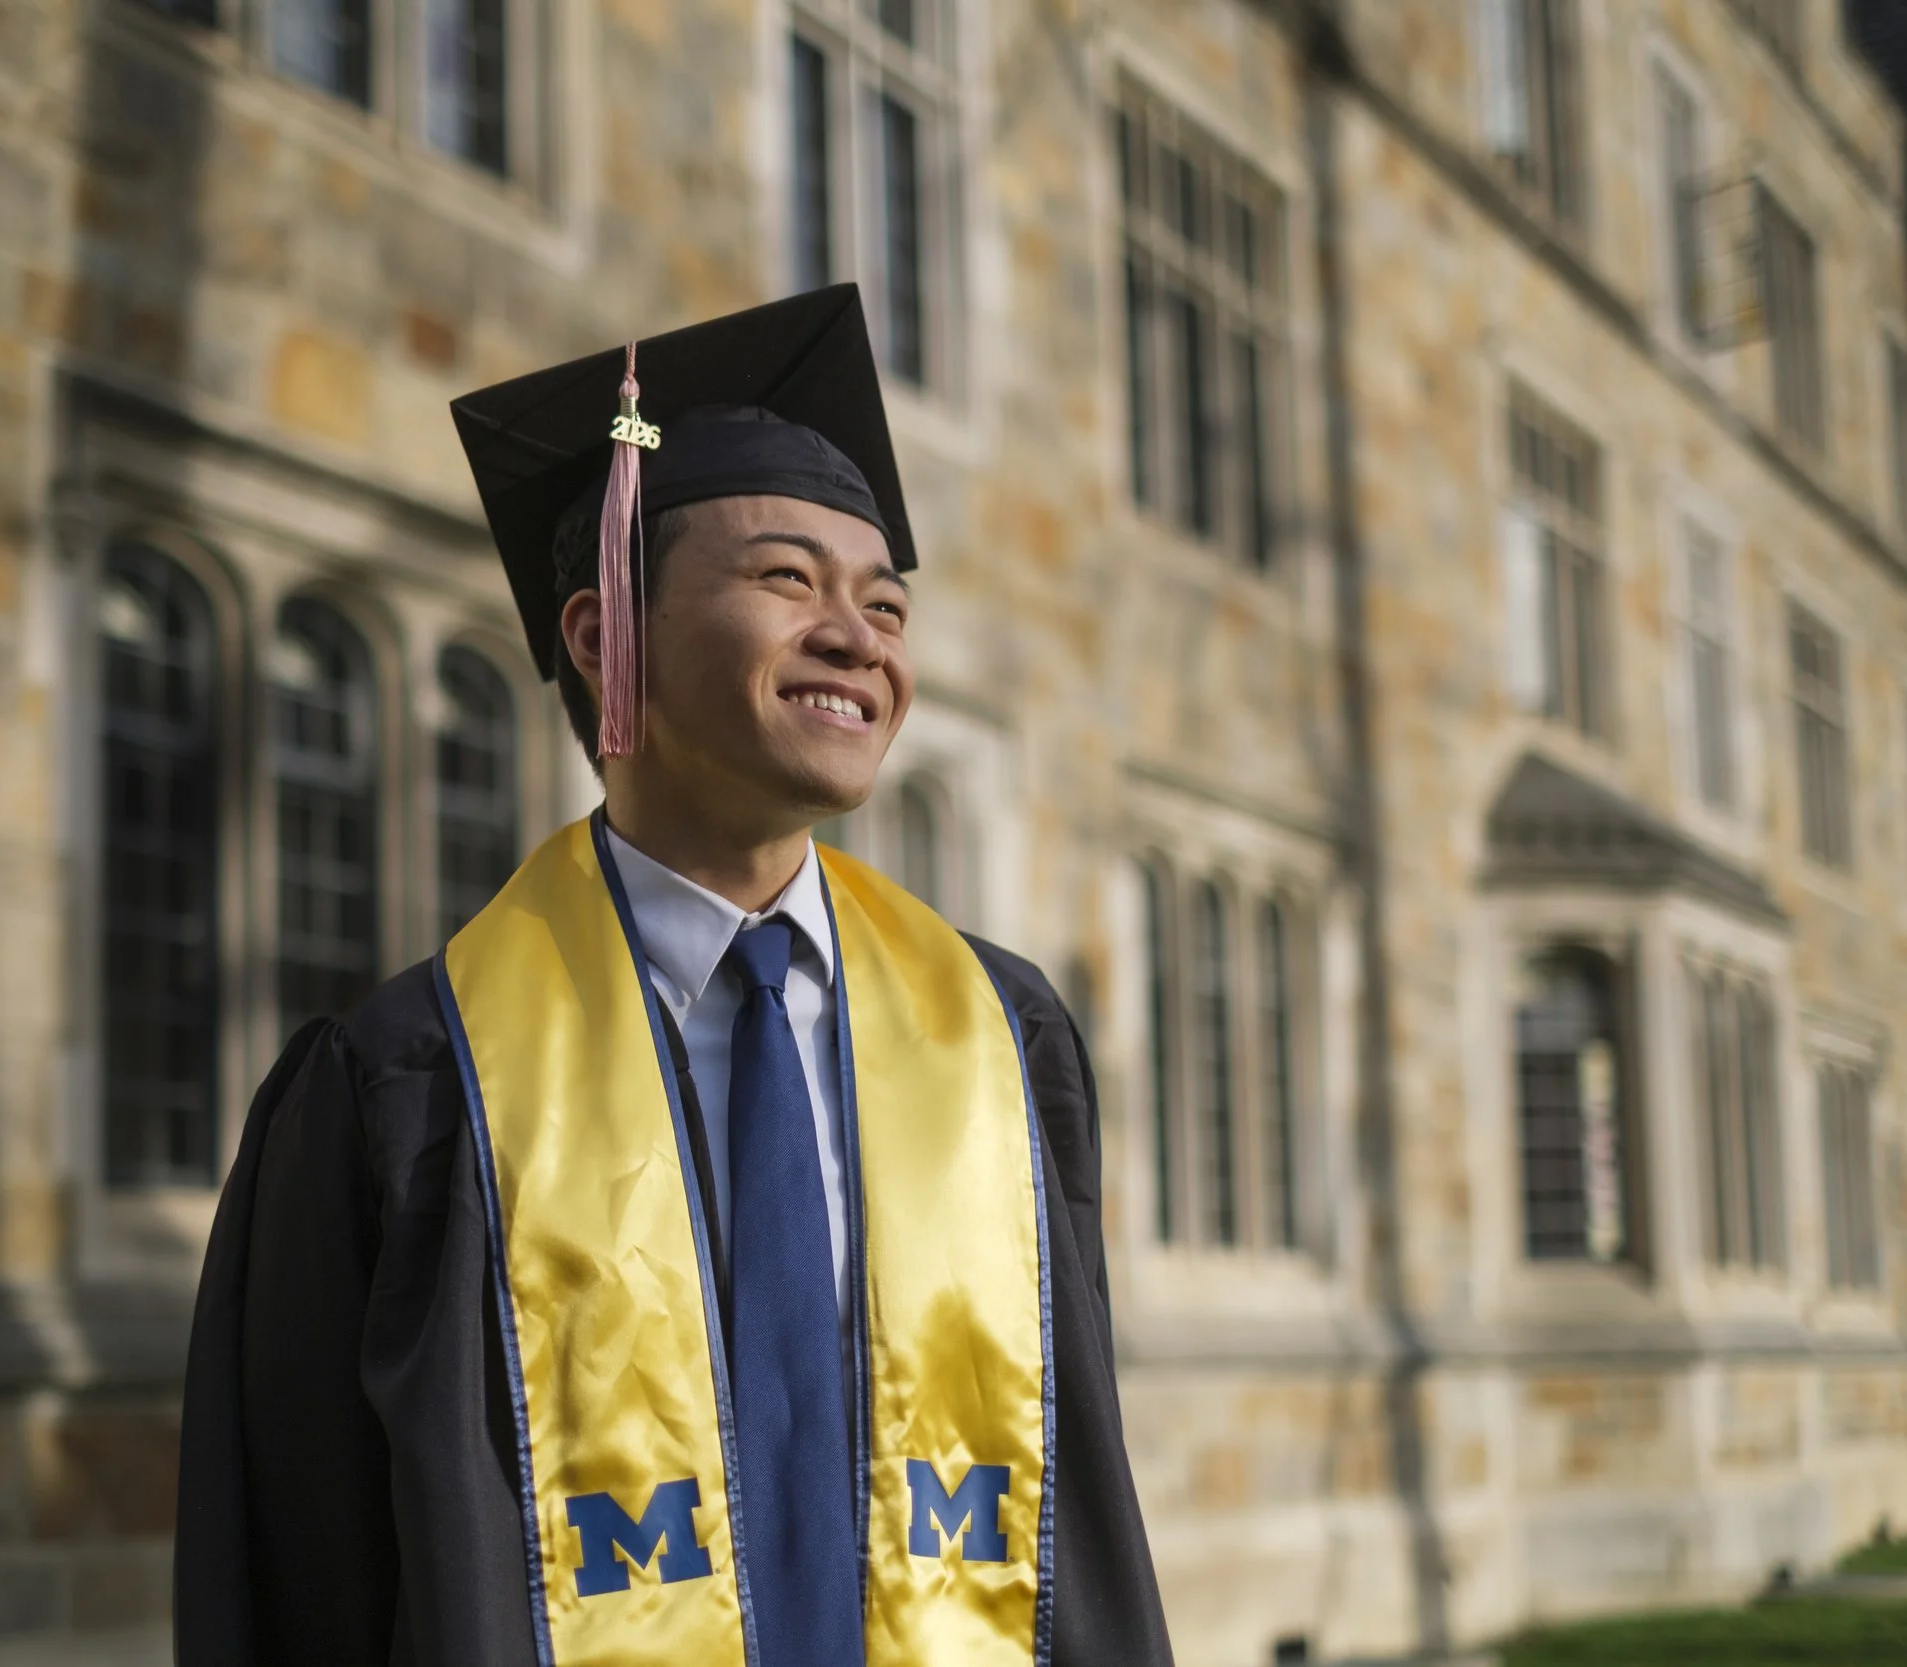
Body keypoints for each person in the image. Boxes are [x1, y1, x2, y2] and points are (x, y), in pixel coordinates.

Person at [173, 286, 1171, 1667]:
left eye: (884, 602)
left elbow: (1082, 1532)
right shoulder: (407, 1086)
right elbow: (303, 1585)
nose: (861, 635)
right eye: (789, 580)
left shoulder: (1003, 1043)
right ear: (602, 636)